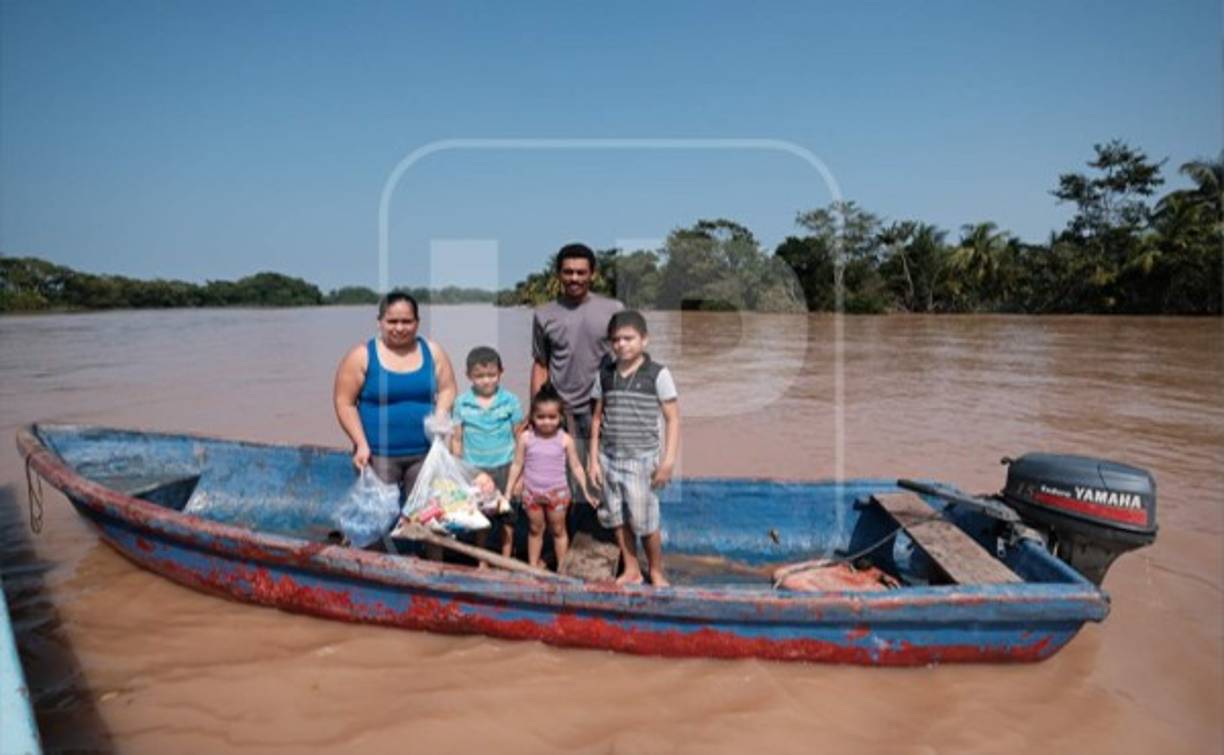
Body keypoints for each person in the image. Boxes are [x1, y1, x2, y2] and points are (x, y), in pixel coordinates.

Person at [333, 291, 457, 497]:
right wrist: (361, 444)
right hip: (377, 455)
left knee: (421, 518)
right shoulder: (361, 356)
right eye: (392, 321)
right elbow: (344, 403)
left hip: (425, 454)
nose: (399, 328)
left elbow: (448, 388)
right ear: (380, 322)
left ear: (417, 322)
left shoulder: (433, 351)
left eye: (407, 321)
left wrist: (441, 415)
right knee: (380, 518)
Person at [588, 310, 680, 587]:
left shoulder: (658, 374)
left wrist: (668, 461)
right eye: (616, 340)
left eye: (628, 338)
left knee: (646, 520)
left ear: (644, 340)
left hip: (642, 459)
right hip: (608, 457)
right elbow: (596, 419)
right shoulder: (604, 374)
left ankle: (656, 570)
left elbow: (673, 418)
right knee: (616, 516)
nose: (621, 345)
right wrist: (593, 460)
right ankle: (631, 569)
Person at [530, 243, 623, 511]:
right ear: (558, 274)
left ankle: (605, 534)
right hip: (562, 410)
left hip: (602, 409)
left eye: (581, 272)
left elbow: (628, 358)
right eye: (568, 272)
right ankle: (566, 535)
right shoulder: (543, 314)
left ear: (592, 274)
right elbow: (540, 364)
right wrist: (535, 411)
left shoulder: (613, 309)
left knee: (603, 473)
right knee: (564, 478)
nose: (574, 278)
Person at [504, 384, 595, 571]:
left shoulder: (565, 439)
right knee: (535, 530)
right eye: (541, 417)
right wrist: (508, 490)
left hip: (558, 494)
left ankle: (562, 568)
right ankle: (532, 567)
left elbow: (576, 466)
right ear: (532, 417)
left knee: (558, 531)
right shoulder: (526, 438)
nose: (547, 422)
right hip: (532, 494)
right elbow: (517, 464)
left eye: (552, 417)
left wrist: (586, 490)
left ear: (560, 417)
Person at [451, 346, 524, 559]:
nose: (486, 380)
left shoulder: (510, 401)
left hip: (506, 466)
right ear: (468, 376)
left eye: (491, 375)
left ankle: (505, 557)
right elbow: (457, 439)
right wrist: (459, 471)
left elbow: (519, 437)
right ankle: (482, 558)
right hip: (476, 469)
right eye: (479, 376)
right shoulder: (462, 403)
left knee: (508, 515)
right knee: (480, 516)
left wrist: (520, 474)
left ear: (501, 372)